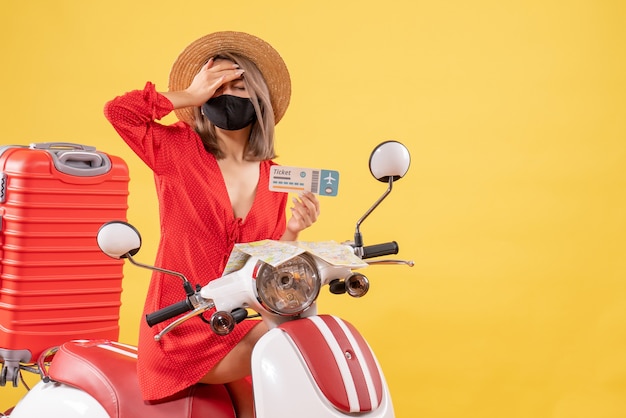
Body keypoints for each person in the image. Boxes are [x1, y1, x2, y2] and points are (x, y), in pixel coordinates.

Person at [104, 31, 320, 418]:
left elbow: (262, 265)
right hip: (177, 326)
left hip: (231, 323)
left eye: (237, 85)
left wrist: (294, 230)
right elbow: (119, 112)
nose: (225, 94)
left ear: (259, 100)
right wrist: (188, 94)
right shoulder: (177, 149)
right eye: (216, 85)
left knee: (301, 337)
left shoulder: (276, 177)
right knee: (280, 342)